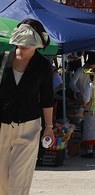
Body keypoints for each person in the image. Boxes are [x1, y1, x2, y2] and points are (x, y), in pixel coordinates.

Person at [0, 18, 55, 192]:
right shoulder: (3, 58)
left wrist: (49, 127)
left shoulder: (43, 65)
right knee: (1, 181)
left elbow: (47, 99)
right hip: (2, 125)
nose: (23, 44)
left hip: (29, 126)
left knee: (19, 180)